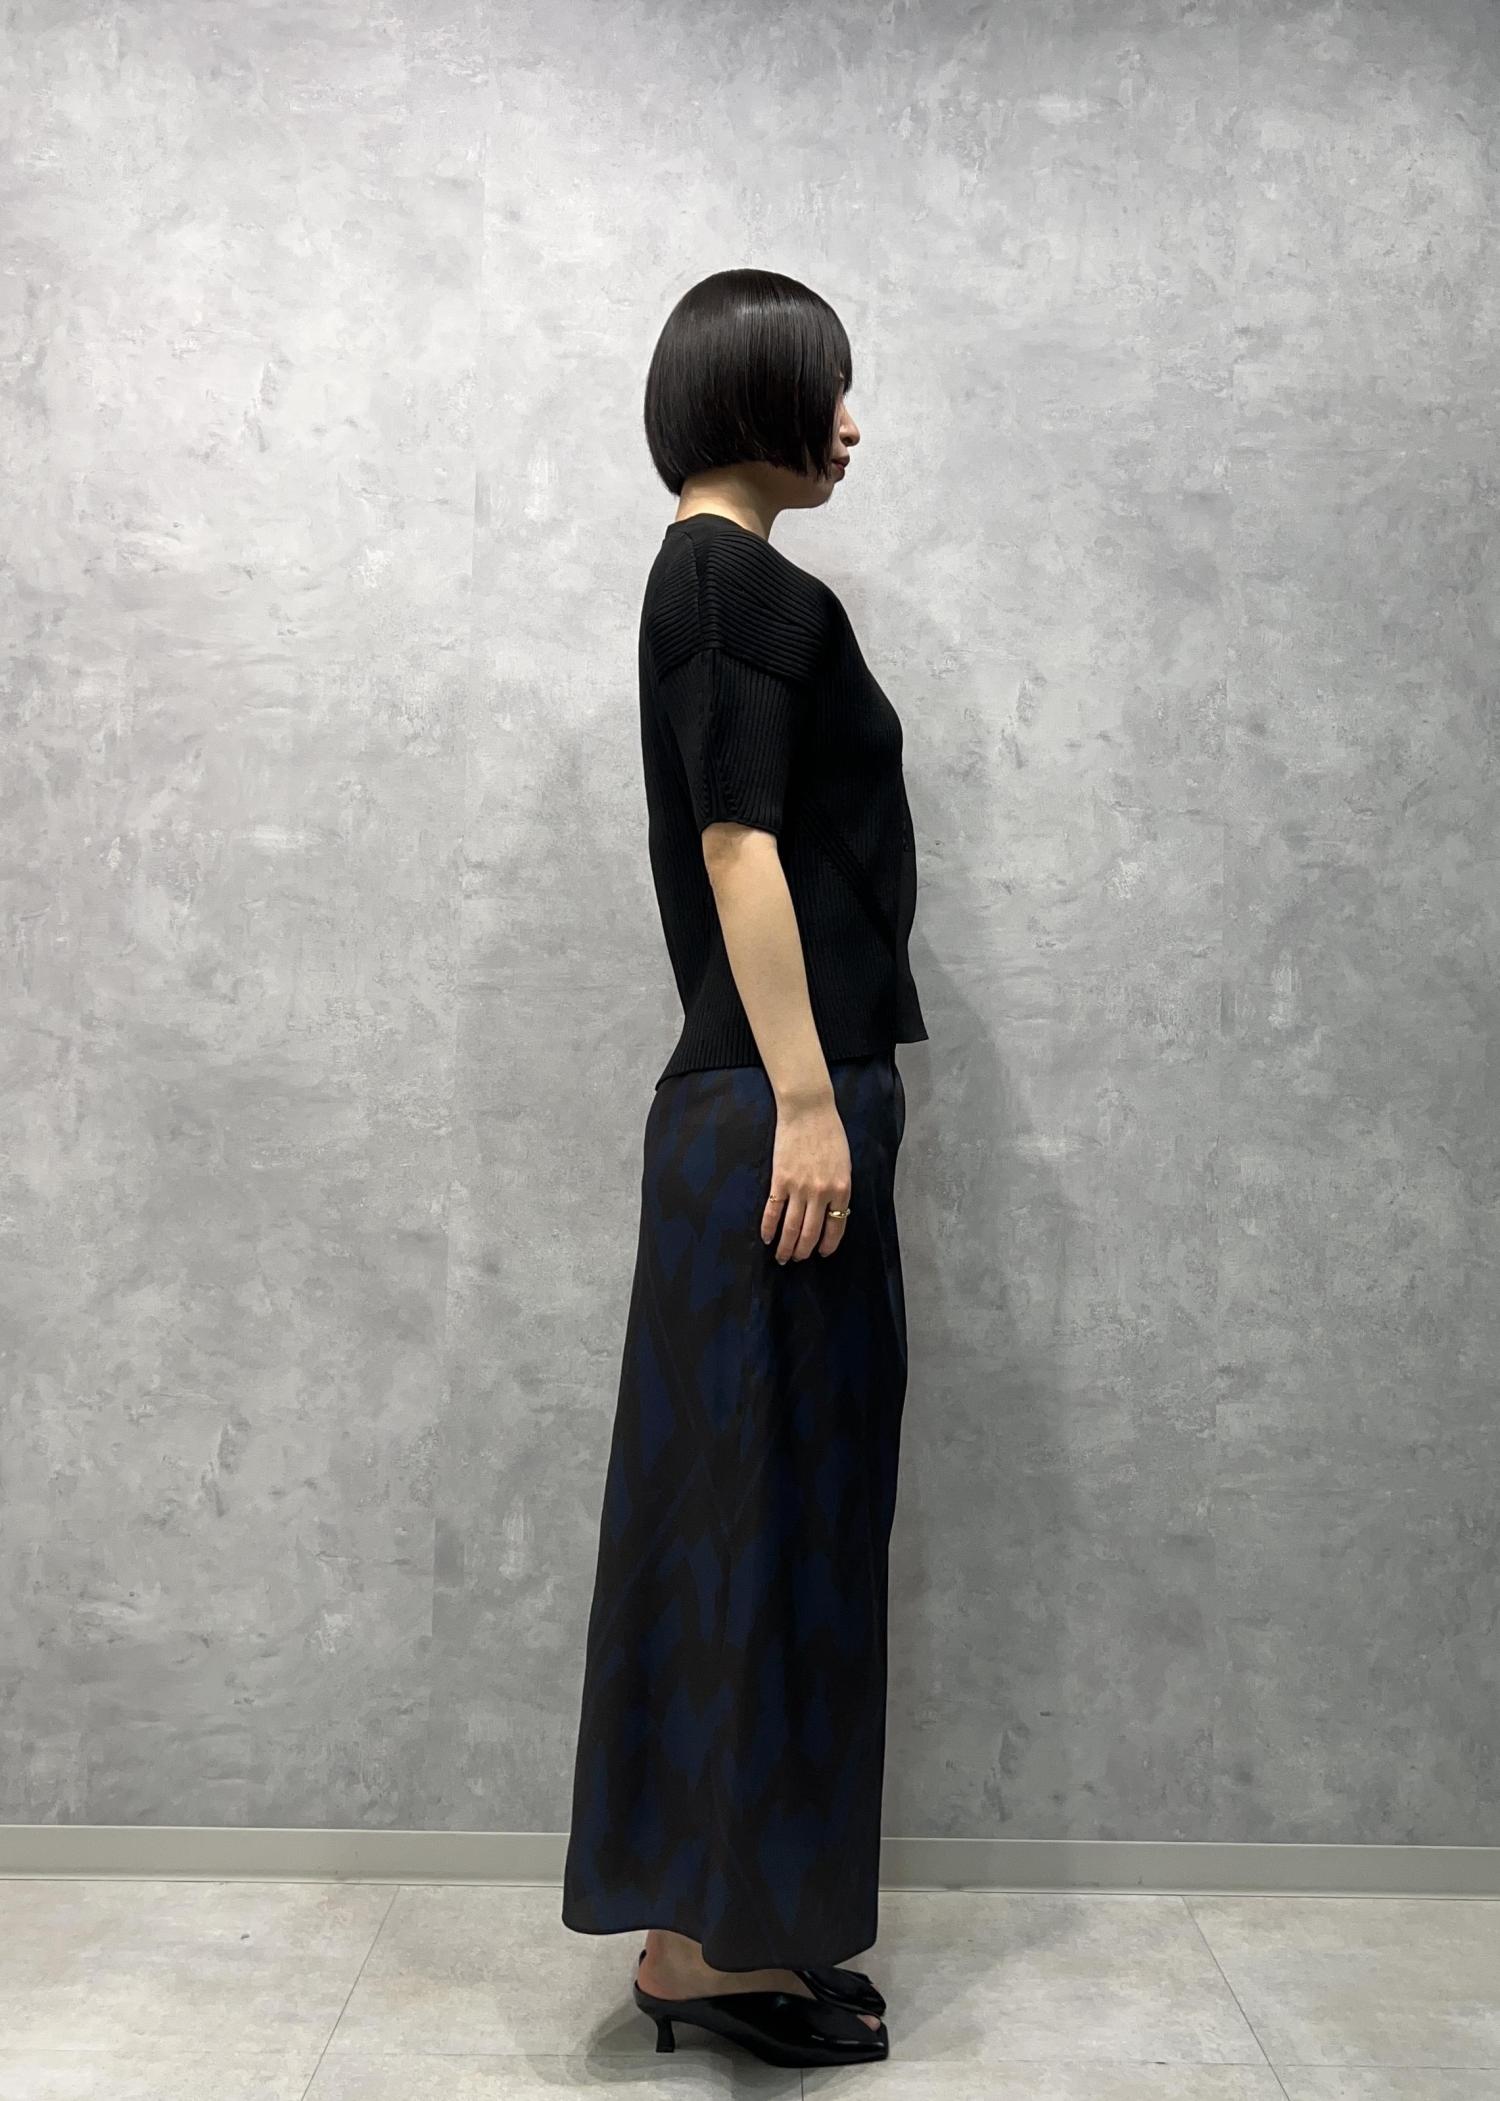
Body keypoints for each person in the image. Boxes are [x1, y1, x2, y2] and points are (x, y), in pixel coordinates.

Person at [559, 267, 929, 2071]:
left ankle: (721, 1931)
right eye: (826, 388)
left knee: (778, 1528)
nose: (851, 423)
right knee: (751, 1532)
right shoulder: (718, 576)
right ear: (753, 394)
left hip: (790, 1099)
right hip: (775, 1113)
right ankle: (695, 1949)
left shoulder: (742, 582)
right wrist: (806, 1100)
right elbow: (737, 843)